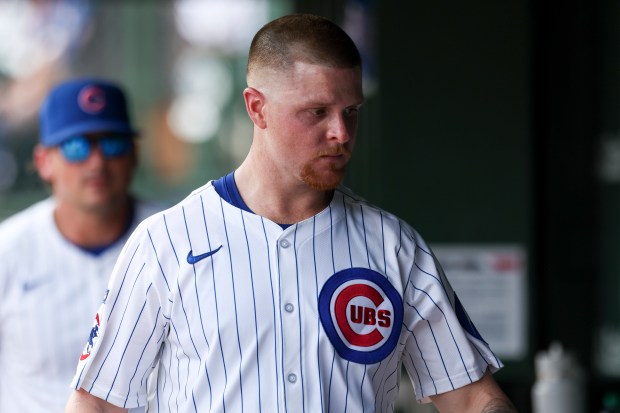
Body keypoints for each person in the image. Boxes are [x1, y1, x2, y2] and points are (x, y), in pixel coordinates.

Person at [64, 14, 517, 413]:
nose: (340, 132)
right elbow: (98, 401)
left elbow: (473, 398)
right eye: (316, 112)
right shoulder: (167, 240)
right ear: (256, 107)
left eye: (351, 111)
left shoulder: (392, 244)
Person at [0, 78, 160, 412]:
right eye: (76, 146)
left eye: (112, 143)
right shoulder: (8, 250)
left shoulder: (174, 241)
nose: (96, 162)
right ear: (44, 161)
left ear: (134, 152)